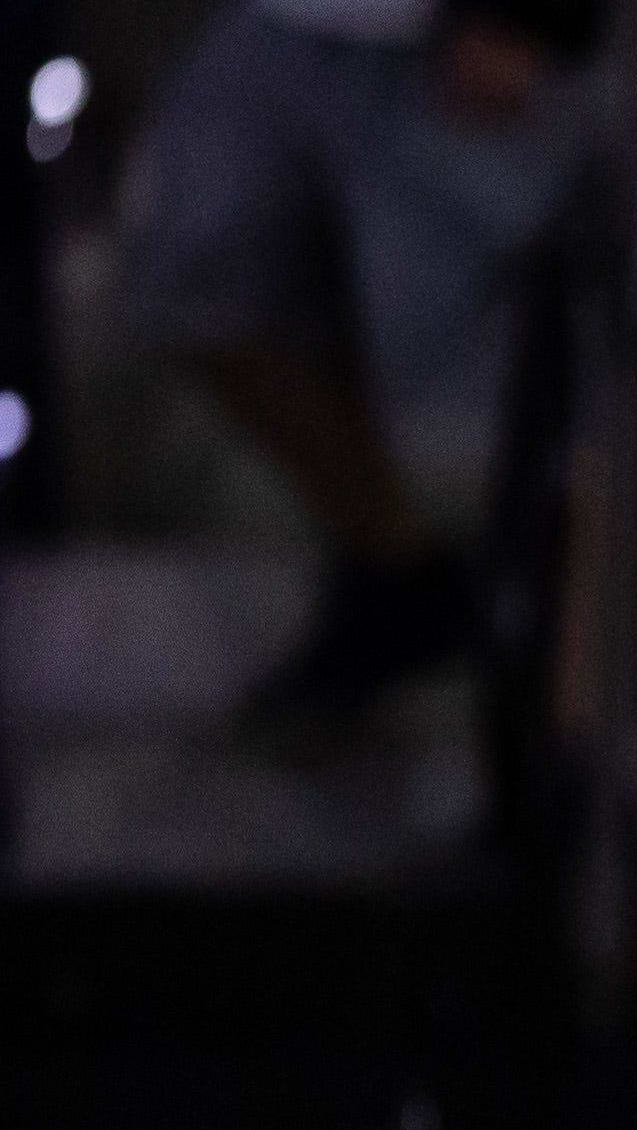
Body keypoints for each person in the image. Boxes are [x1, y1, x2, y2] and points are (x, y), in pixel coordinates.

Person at [121, 0, 602, 742]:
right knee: (230, 303)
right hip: (293, 23)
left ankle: (471, 638)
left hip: (432, 36)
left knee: (543, 338)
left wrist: (529, 23)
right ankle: (393, 578)